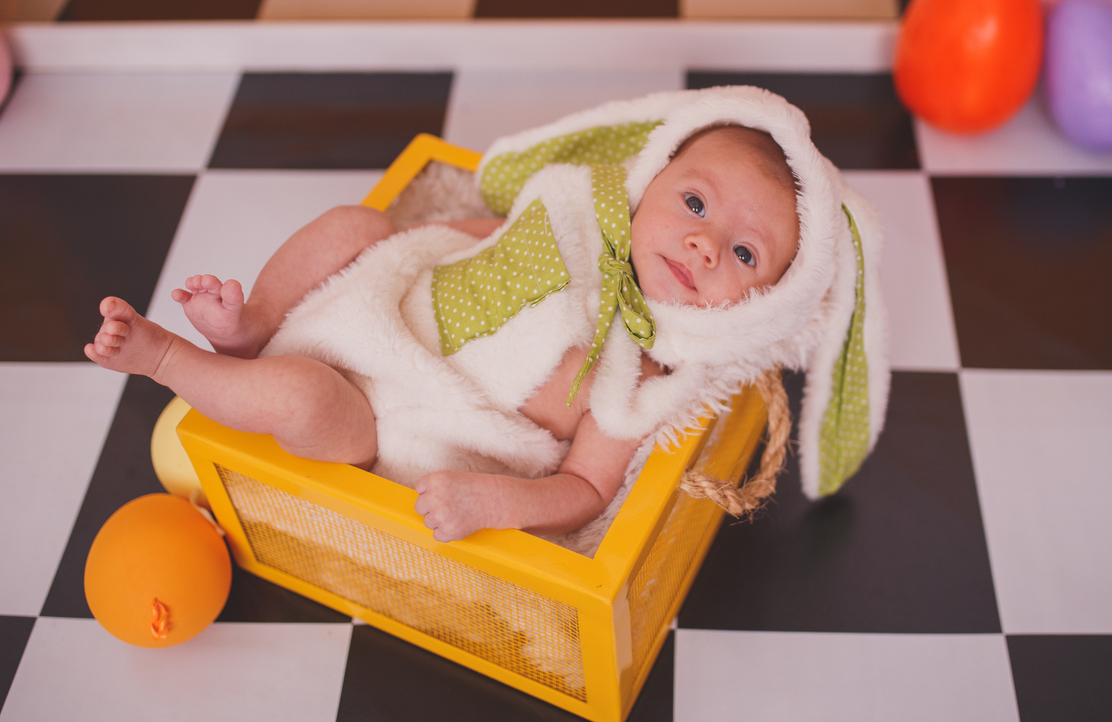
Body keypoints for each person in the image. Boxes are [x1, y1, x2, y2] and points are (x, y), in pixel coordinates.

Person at [85, 86, 889, 549]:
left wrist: (494, 502)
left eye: (745, 254)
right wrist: (410, 248)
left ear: (764, 306)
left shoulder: (645, 372)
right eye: (694, 203)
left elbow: (585, 488)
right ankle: (252, 324)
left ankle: (169, 361)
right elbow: (482, 234)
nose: (703, 245)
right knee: (355, 225)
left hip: (388, 419)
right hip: (379, 307)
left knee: (300, 397)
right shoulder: (578, 205)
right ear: (652, 177)